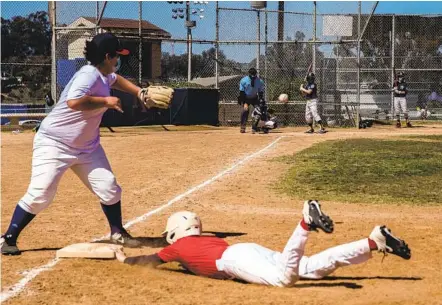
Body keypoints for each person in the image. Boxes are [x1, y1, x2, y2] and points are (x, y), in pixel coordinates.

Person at [1, 33, 146, 255]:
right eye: (116, 56)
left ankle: (117, 232)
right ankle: (7, 238)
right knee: (41, 193)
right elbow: (74, 102)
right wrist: (105, 101)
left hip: (87, 147)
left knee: (109, 187)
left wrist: (139, 92)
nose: (118, 60)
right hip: (55, 143)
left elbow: (116, 80)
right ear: (107, 57)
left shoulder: (105, 74)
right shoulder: (88, 75)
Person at [114, 201, 411, 287]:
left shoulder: (177, 248)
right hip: (246, 252)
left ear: (176, 231)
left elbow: (151, 259)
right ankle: (372, 243)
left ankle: (305, 223)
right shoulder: (209, 238)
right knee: (309, 268)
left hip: (233, 262)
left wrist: (123, 259)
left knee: (284, 279)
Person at [238, 68, 265, 134]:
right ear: (249, 74)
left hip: (255, 98)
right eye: (251, 74)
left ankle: (254, 127)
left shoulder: (260, 81)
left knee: (259, 111)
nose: (253, 76)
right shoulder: (244, 80)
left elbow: (260, 92)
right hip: (246, 98)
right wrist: (244, 103)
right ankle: (243, 127)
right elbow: (241, 93)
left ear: (256, 74)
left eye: (254, 74)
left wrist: (261, 100)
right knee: (245, 110)